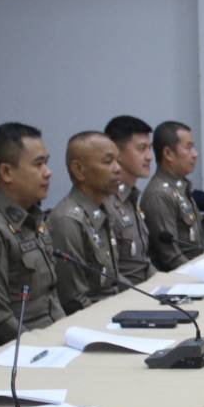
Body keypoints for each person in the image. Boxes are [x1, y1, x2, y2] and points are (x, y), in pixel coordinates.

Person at [0, 122, 64, 344]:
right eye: (38, 164)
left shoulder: (33, 219)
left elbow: (51, 297)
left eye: (47, 163)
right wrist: (45, 347)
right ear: (6, 172)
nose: (48, 172)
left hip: (55, 336)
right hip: (26, 348)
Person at [50, 131, 125, 313]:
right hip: (94, 317)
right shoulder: (67, 221)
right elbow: (74, 300)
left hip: (114, 307)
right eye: (108, 161)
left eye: (118, 161)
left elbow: (113, 280)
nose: (118, 169)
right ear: (79, 170)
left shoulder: (104, 208)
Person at [142, 120, 203, 271]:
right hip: (178, 277)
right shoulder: (159, 195)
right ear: (168, 153)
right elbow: (172, 258)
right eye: (188, 147)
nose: (195, 154)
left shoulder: (180, 187)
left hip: (193, 268)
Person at [104, 114, 154, 285]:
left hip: (146, 288)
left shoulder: (131, 198)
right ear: (117, 153)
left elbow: (143, 263)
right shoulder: (106, 203)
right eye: (141, 149)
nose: (149, 156)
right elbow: (111, 274)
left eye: (150, 148)